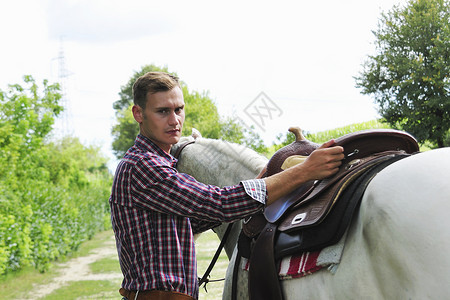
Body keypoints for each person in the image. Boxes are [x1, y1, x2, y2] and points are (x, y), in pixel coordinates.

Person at [110, 72, 344, 300]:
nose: (175, 120)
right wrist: (305, 171)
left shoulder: (160, 164)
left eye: (178, 109)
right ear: (138, 113)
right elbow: (217, 204)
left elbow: (192, 220)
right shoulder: (143, 166)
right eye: (163, 111)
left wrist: (262, 185)